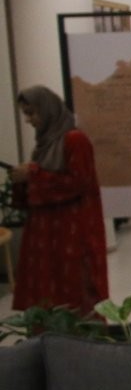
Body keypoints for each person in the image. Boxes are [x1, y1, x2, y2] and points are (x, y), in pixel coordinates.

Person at [9, 86, 108, 315]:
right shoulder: (44, 145)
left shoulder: (75, 140)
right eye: (26, 114)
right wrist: (22, 179)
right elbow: (35, 192)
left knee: (76, 295)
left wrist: (32, 174)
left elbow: (77, 182)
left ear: (47, 109)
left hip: (73, 235)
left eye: (32, 113)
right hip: (46, 236)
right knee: (47, 296)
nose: (29, 120)